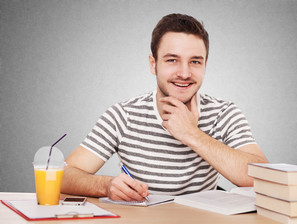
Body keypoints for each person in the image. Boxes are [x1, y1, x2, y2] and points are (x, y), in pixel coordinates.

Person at [61, 13, 267, 202]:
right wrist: (105, 186)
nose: (184, 73)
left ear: (205, 66)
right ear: (153, 64)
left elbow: (265, 178)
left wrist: (191, 134)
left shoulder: (224, 114)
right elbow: (62, 176)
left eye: (195, 61)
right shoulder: (123, 115)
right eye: (172, 60)